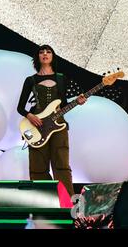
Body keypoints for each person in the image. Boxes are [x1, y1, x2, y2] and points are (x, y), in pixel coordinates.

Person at [17, 45, 86, 197]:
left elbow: (63, 104)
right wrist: (30, 116)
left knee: (61, 164)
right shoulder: (31, 80)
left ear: (53, 56)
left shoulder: (61, 78)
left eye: (48, 52)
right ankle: (44, 199)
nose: (45, 54)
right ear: (38, 57)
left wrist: (78, 101)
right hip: (37, 126)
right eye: (41, 52)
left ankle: (67, 201)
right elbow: (20, 107)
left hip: (58, 126)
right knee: (37, 166)